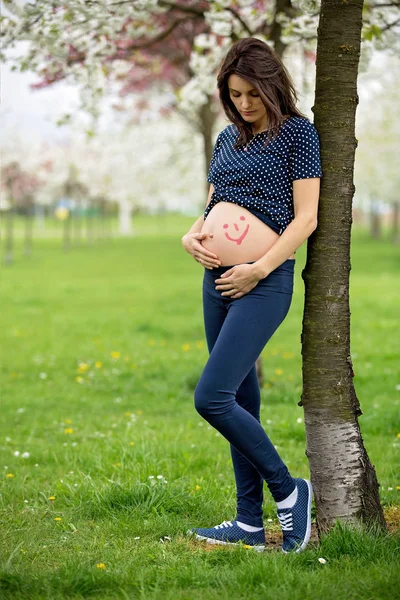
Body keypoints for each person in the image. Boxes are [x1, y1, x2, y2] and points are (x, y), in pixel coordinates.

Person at [181, 37, 322, 553]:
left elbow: (305, 218)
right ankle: (247, 521)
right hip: (216, 279)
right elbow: (215, 202)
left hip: (263, 282)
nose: (244, 104)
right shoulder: (227, 139)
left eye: (252, 94)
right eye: (235, 94)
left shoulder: (298, 136)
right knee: (240, 397)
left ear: (271, 86)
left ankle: (289, 492)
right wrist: (191, 233)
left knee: (211, 397)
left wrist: (257, 269)